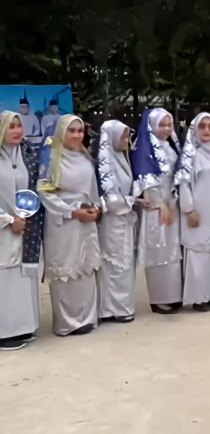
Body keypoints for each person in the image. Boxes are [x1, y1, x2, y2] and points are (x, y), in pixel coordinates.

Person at [38, 115, 102, 336]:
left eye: (80, 131)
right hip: (63, 222)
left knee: (85, 267)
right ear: (61, 132)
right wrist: (72, 212)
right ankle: (67, 323)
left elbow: (93, 189)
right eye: (71, 131)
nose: (76, 135)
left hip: (86, 222)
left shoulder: (84, 157)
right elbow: (44, 193)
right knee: (65, 270)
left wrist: (96, 208)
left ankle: (87, 318)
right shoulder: (52, 157)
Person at [175, 112, 210, 312]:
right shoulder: (191, 155)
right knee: (198, 253)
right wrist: (189, 210)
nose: (206, 131)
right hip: (197, 213)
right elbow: (184, 184)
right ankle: (199, 298)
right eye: (202, 126)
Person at [132, 108, 183, 314]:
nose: (167, 128)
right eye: (162, 124)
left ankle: (174, 295)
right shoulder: (144, 148)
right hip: (156, 208)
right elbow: (146, 180)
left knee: (173, 252)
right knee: (159, 252)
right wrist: (159, 203)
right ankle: (159, 298)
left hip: (172, 204)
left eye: (169, 124)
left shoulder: (170, 146)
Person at [0, 112, 42, 351]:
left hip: (23, 226)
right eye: (11, 126)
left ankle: (22, 326)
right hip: (3, 228)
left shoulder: (25, 155)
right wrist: (8, 219)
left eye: (19, 126)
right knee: (4, 279)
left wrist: (24, 217)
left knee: (21, 278)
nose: (17, 130)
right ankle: (4, 332)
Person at [96, 120, 138, 323]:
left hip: (124, 219)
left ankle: (122, 306)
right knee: (113, 263)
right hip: (112, 221)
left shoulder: (121, 158)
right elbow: (111, 200)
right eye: (123, 137)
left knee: (124, 263)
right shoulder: (105, 164)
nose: (127, 141)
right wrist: (133, 201)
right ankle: (110, 309)